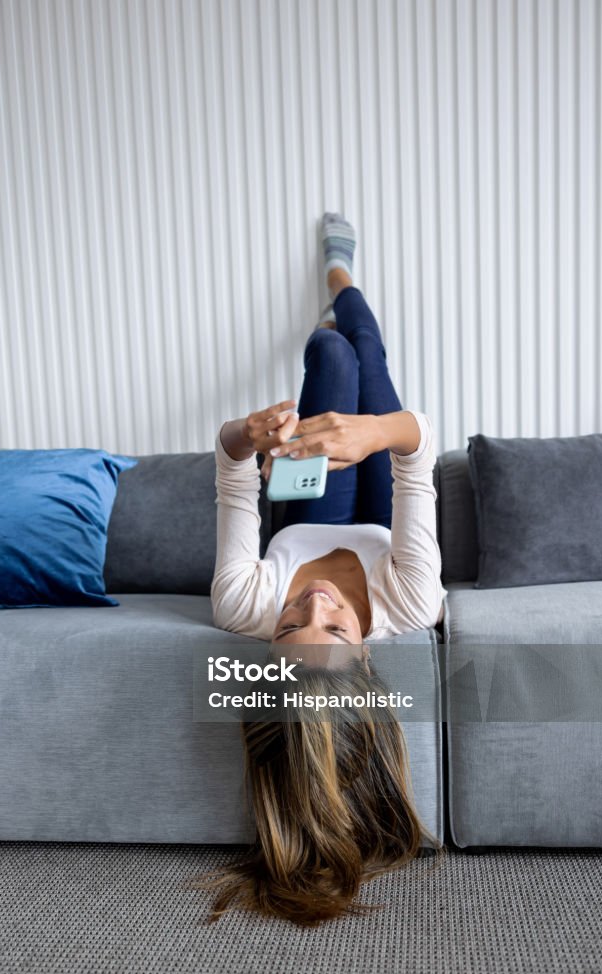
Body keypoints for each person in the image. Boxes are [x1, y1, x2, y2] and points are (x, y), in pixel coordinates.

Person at [198, 214, 446, 926]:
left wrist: (246, 437)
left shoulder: (240, 603)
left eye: (288, 623)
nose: (311, 599)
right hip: (378, 513)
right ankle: (343, 275)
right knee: (368, 354)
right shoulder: (410, 601)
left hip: (306, 510)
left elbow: (229, 473)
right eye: (332, 622)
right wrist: (379, 432)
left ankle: (330, 300)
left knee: (332, 353)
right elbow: (417, 455)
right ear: (368, 651)